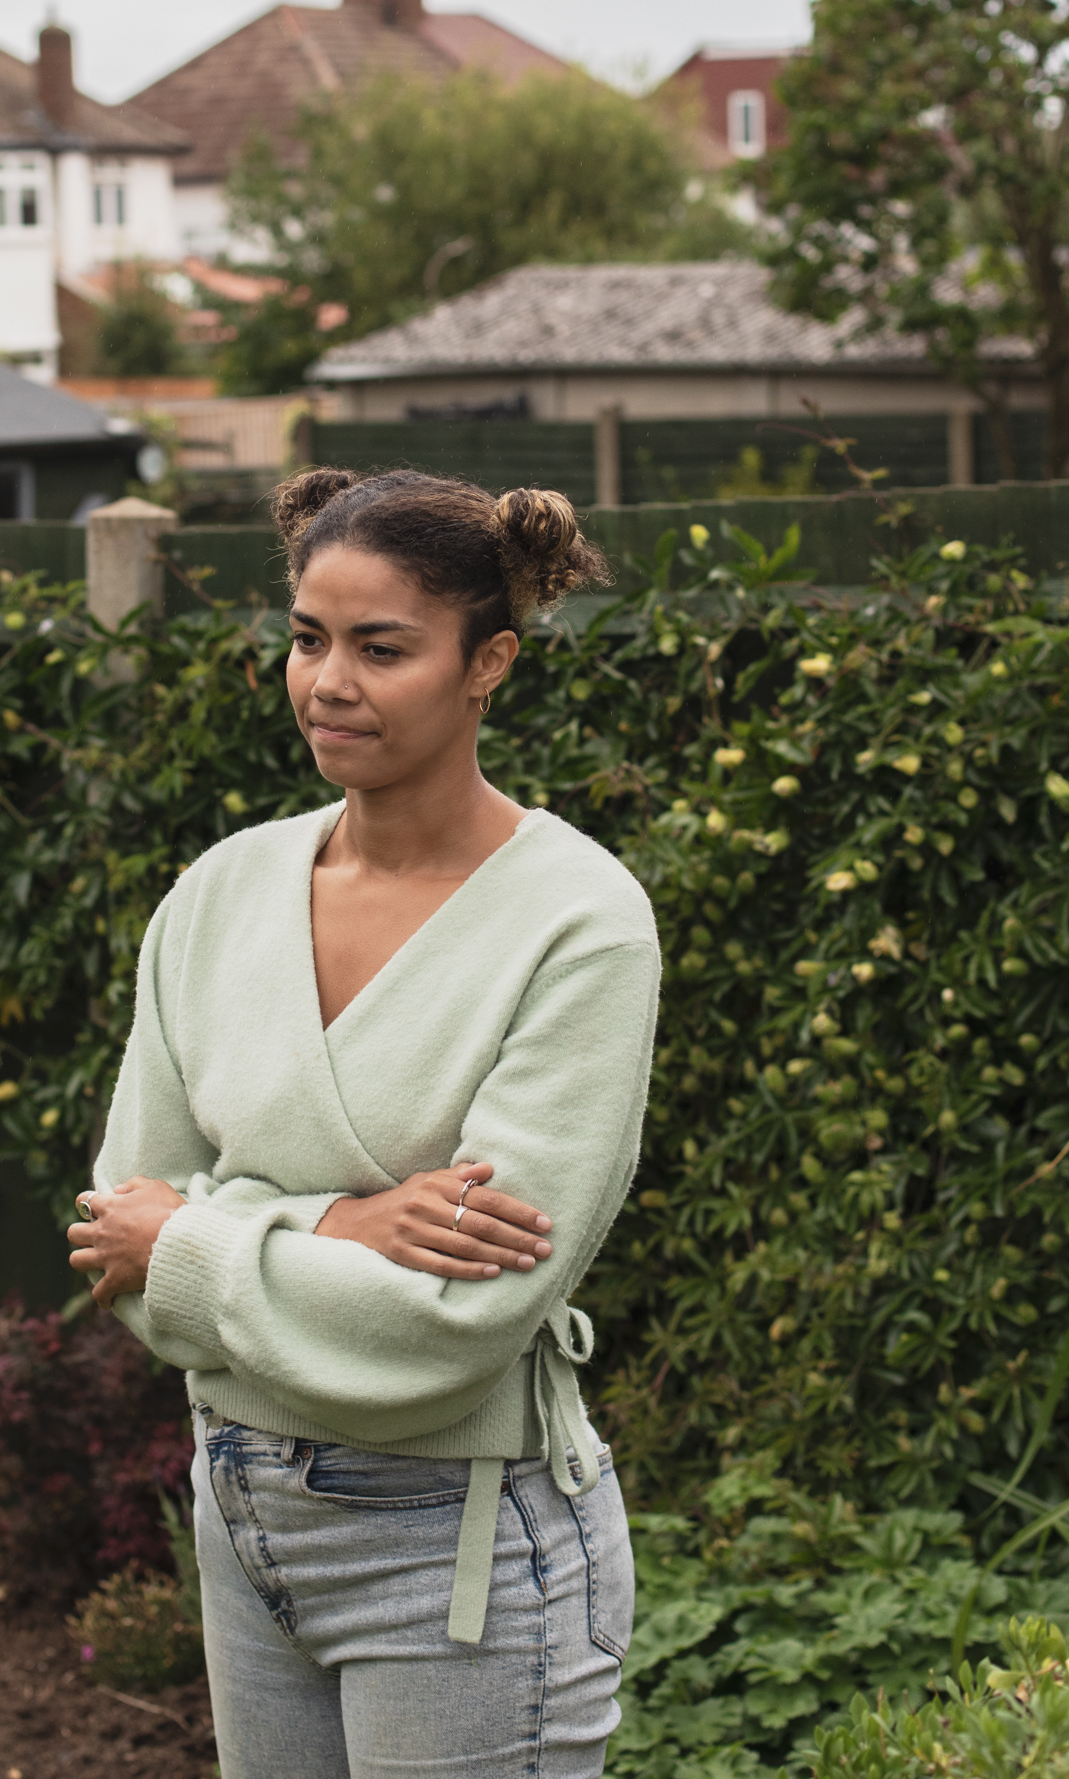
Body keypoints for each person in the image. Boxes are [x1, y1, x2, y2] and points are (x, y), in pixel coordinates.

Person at [66, 467, 661, 1778]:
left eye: (381, 648)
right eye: (305, 637)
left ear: (486, 662)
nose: (327, 681)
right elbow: (117, 1232)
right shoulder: (219, 896)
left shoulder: (577, 923)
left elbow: (458, 1321)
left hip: (459, 1546)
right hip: (241, 1515)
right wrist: (336, 1220)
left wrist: (202, 1237)